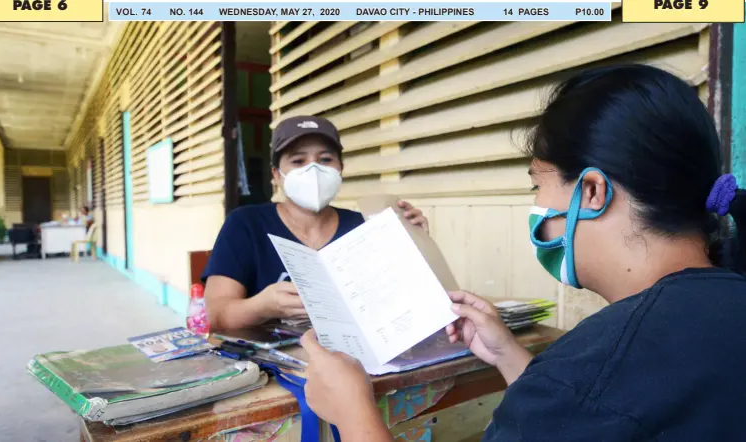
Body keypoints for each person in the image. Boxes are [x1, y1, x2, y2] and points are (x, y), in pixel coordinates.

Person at [298, 64, 746, 441]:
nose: (538, 208)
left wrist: (354, 411)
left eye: (539, 185)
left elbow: (586, 400)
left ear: (591, 191)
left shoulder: (585, 372)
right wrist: (511, 357)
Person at [202, 115, 429, 333]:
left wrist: (417, 248)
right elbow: (216, 316)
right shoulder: (245, 225)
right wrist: (261, 307)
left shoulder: (363, 227)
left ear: (340, 169)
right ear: (277, 175)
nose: (313, 169)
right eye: (298, 161)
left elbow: (401, 306)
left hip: (351, 365)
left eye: (325, 160)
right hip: (269, 370)